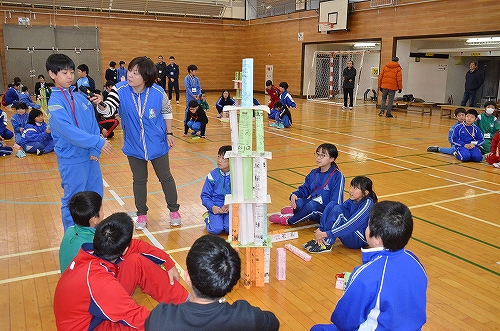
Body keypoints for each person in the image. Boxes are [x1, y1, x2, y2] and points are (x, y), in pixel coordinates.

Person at [54, 212, 189, 331]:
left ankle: (188, 303)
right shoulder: (100, 282)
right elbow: (136, 317)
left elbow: (138, 246)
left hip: (92, 311)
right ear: (124, 249)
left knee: (137, 262)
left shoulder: (92, 250)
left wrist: (168, 262)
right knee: (144, 326)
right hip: (91, 326)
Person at [310, 201, 427, 331]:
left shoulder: (365, 275)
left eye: (368, 224)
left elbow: (345, 321)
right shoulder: (415, 261)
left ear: (377, 239)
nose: (366, 227)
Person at [95, 56, 181, 229]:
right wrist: (102, 105)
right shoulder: (120, 90)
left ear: (146, 76)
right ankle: (141, 214)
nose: (130, 75)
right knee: (139, 180)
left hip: (157, 143)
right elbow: (110, 108)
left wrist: (169, 133)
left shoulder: (158, 93)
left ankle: (174, 210)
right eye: (129, 71)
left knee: (166, 177)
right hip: (134, 145)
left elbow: (167, 111)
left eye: (135, 72)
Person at [145, 234, 280, 331]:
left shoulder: (161, 318)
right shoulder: (246, 316)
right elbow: (273, 322)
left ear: (187, 277)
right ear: (230, 282)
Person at [45, 53, 112, 231]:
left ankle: (94, 236)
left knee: (95, 198)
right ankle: (71, 238)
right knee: (73, 201)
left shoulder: (81, 98)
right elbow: (68, 131)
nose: (69, 76)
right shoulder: (55, 103)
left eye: (71, 72)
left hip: (90, 158)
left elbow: (92, 124)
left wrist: (94, 151)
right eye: (64, 73)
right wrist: (97, 142)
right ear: (52, 74)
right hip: (72, 161)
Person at [269, 143, 345, 225]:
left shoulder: (337, 176)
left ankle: (289, 220)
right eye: (317, 154)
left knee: (312, 206)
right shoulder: (313, 172)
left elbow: (336, 202)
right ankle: (301, 213)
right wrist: (295, 195)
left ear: (332, 159)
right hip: (313, 206)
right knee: (299, 203)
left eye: (322, 155)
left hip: (327, 213)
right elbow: (305, 189)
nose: (318, 158)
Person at [304, 176, 377, 253]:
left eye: (355, 188)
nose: (351, 190)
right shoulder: (353, 200)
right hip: (351, 233)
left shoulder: (367, 205)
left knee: (338, 211)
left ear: (365, 193)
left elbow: (351, 225)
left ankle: (327, 242)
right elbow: (334, 211)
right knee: (332, 205)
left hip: (358, 240)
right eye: (351, 186)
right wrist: (321, 229)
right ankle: (320, 240)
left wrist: (326, 234)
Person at [201, 145, 232, 235]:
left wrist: (231, 205)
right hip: (215, 207)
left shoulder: (236, 175)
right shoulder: (213, 175)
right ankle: (208, 217)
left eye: (223, 158)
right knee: (216, 229)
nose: (219, 160)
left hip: (230, 208)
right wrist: (212, 207)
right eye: (219, 156)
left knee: (229, 229)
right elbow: (205, 195)